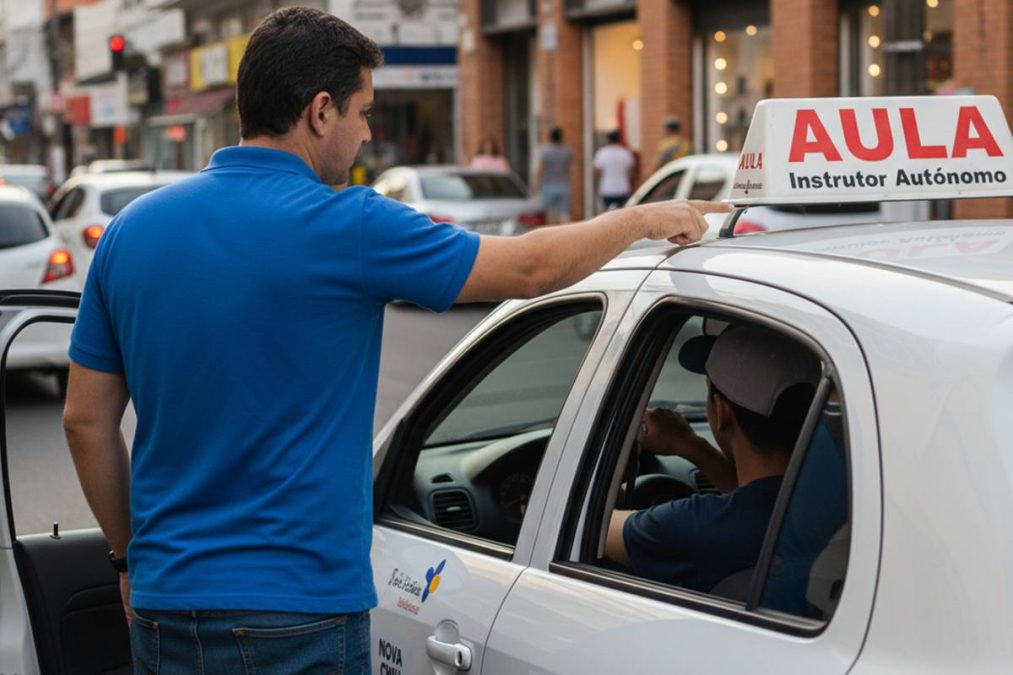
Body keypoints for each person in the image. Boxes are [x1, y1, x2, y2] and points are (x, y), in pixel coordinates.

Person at [62, 7, 729, 674]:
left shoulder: (132, 231)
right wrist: (643, 218)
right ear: (320, 111)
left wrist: (127, 557)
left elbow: (84, 420)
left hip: (163, 606)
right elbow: (530, 269)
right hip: (296, 613)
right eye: (362, 113)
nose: (366, 132)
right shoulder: (348, 224)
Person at [605, 324, 820, 594]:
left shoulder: (692, 528)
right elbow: (760, 500)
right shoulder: (837, 500)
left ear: (720, 412)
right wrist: (692, 446)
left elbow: (593, 526)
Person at [532, 126, 574, 224]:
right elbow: (570, 170)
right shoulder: (567, 151)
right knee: (565, 215)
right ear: (561, 137)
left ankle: (552, 233)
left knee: (548, 215)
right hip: (564, 186)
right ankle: (568, 233)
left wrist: (535, 185)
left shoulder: (544, 151)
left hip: (548, 186)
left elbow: (540, 170)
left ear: (550, 137)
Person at [593, 130, 636, 211]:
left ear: (608, 139)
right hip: (623, 188)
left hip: (607, 188)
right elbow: (632, 173)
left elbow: (597, 172)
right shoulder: (625, 152)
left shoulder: (602, 153)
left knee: (608, 214)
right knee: (622, 213)